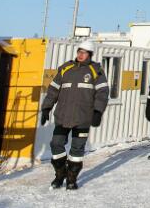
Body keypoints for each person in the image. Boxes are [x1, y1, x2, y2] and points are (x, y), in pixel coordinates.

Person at [40, 40, 109, 190]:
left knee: (77, 151)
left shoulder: (96, 71)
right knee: (56, 144)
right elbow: (53, 90)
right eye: (79, 51)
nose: (80, 54)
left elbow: (102, 93)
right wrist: (46, 108)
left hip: (82, 118)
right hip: (62, 117)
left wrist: (98, 111)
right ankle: (60, 175)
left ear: (90, 54)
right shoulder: (66, 69)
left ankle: (71, 179)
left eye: (84, 52)